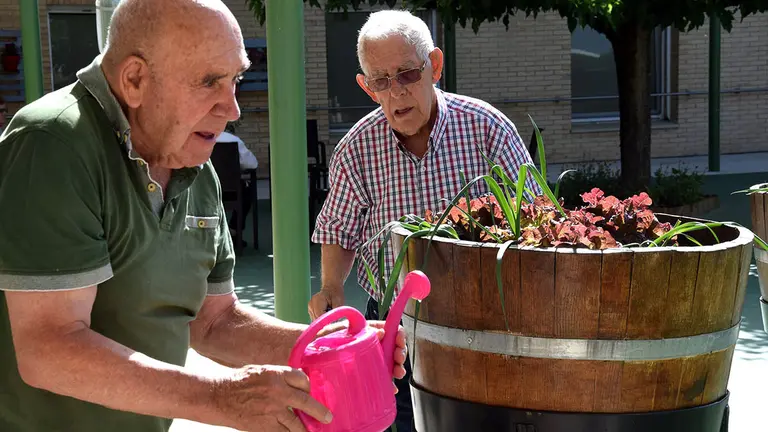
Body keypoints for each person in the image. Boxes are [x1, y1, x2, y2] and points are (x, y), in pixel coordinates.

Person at [0, 1, 407, 431]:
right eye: (209, 81)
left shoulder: (191, 163)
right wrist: (220, 397)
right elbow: (49, 346)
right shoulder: (53, 145)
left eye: (235, 80)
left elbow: (213, 321)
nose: (232, 108)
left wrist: (329, 344)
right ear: (134, 79)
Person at [308, 9, 542, 432]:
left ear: (434, 66)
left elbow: (535, 219)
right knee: (397, 421)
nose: (396, 91)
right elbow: (339, 229)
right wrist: (330, 287)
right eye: (381, 80)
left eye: (407, 73)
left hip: (484, 321)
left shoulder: (487, 129)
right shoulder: (357, 148)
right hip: (393, 324)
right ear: (367, 87)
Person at [215, 130, 258, 240]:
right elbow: (252, 164)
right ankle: (234, 229)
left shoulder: (195, 140)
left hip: (203, 192)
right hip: (231, 192)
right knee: (247, 193)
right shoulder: (232, 140)